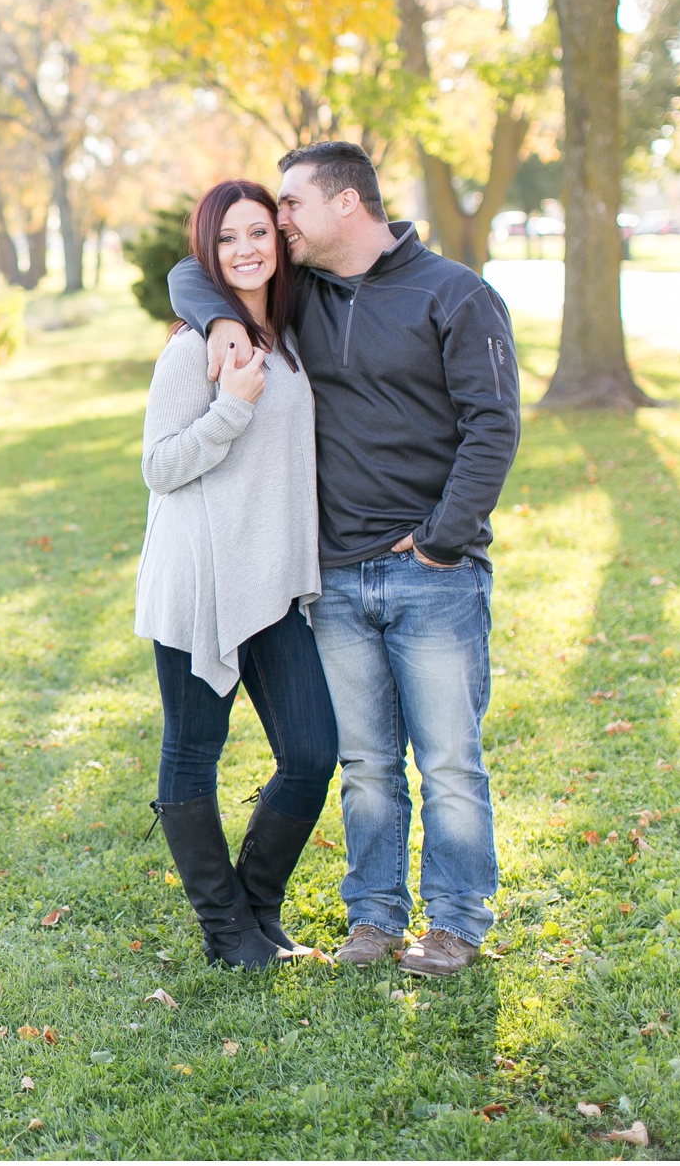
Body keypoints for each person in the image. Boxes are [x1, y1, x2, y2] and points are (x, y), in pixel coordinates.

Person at [168, 141, 519, 976]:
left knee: (448, 763)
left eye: (289, 206)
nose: (278, 223)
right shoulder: (305, 299)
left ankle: (457, 923)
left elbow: (493, 427)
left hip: (433, 573)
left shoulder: (456, 295)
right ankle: (373, 918)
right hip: (332, 579)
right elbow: (198, 275)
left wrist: (440, 539)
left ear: (347, 205)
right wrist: (219, 317)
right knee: (365, 764)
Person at [136, 179, 338, 971]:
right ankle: (227, 932)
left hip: (271, 582)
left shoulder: (284, 335)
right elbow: (159, 466)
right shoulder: (193, 349)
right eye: (228, 238)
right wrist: (230, 408)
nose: (247, 248)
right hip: (199, 582)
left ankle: (257, 905)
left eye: (260, 232)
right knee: (193, 750)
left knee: (312, 752)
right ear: (207, 253)